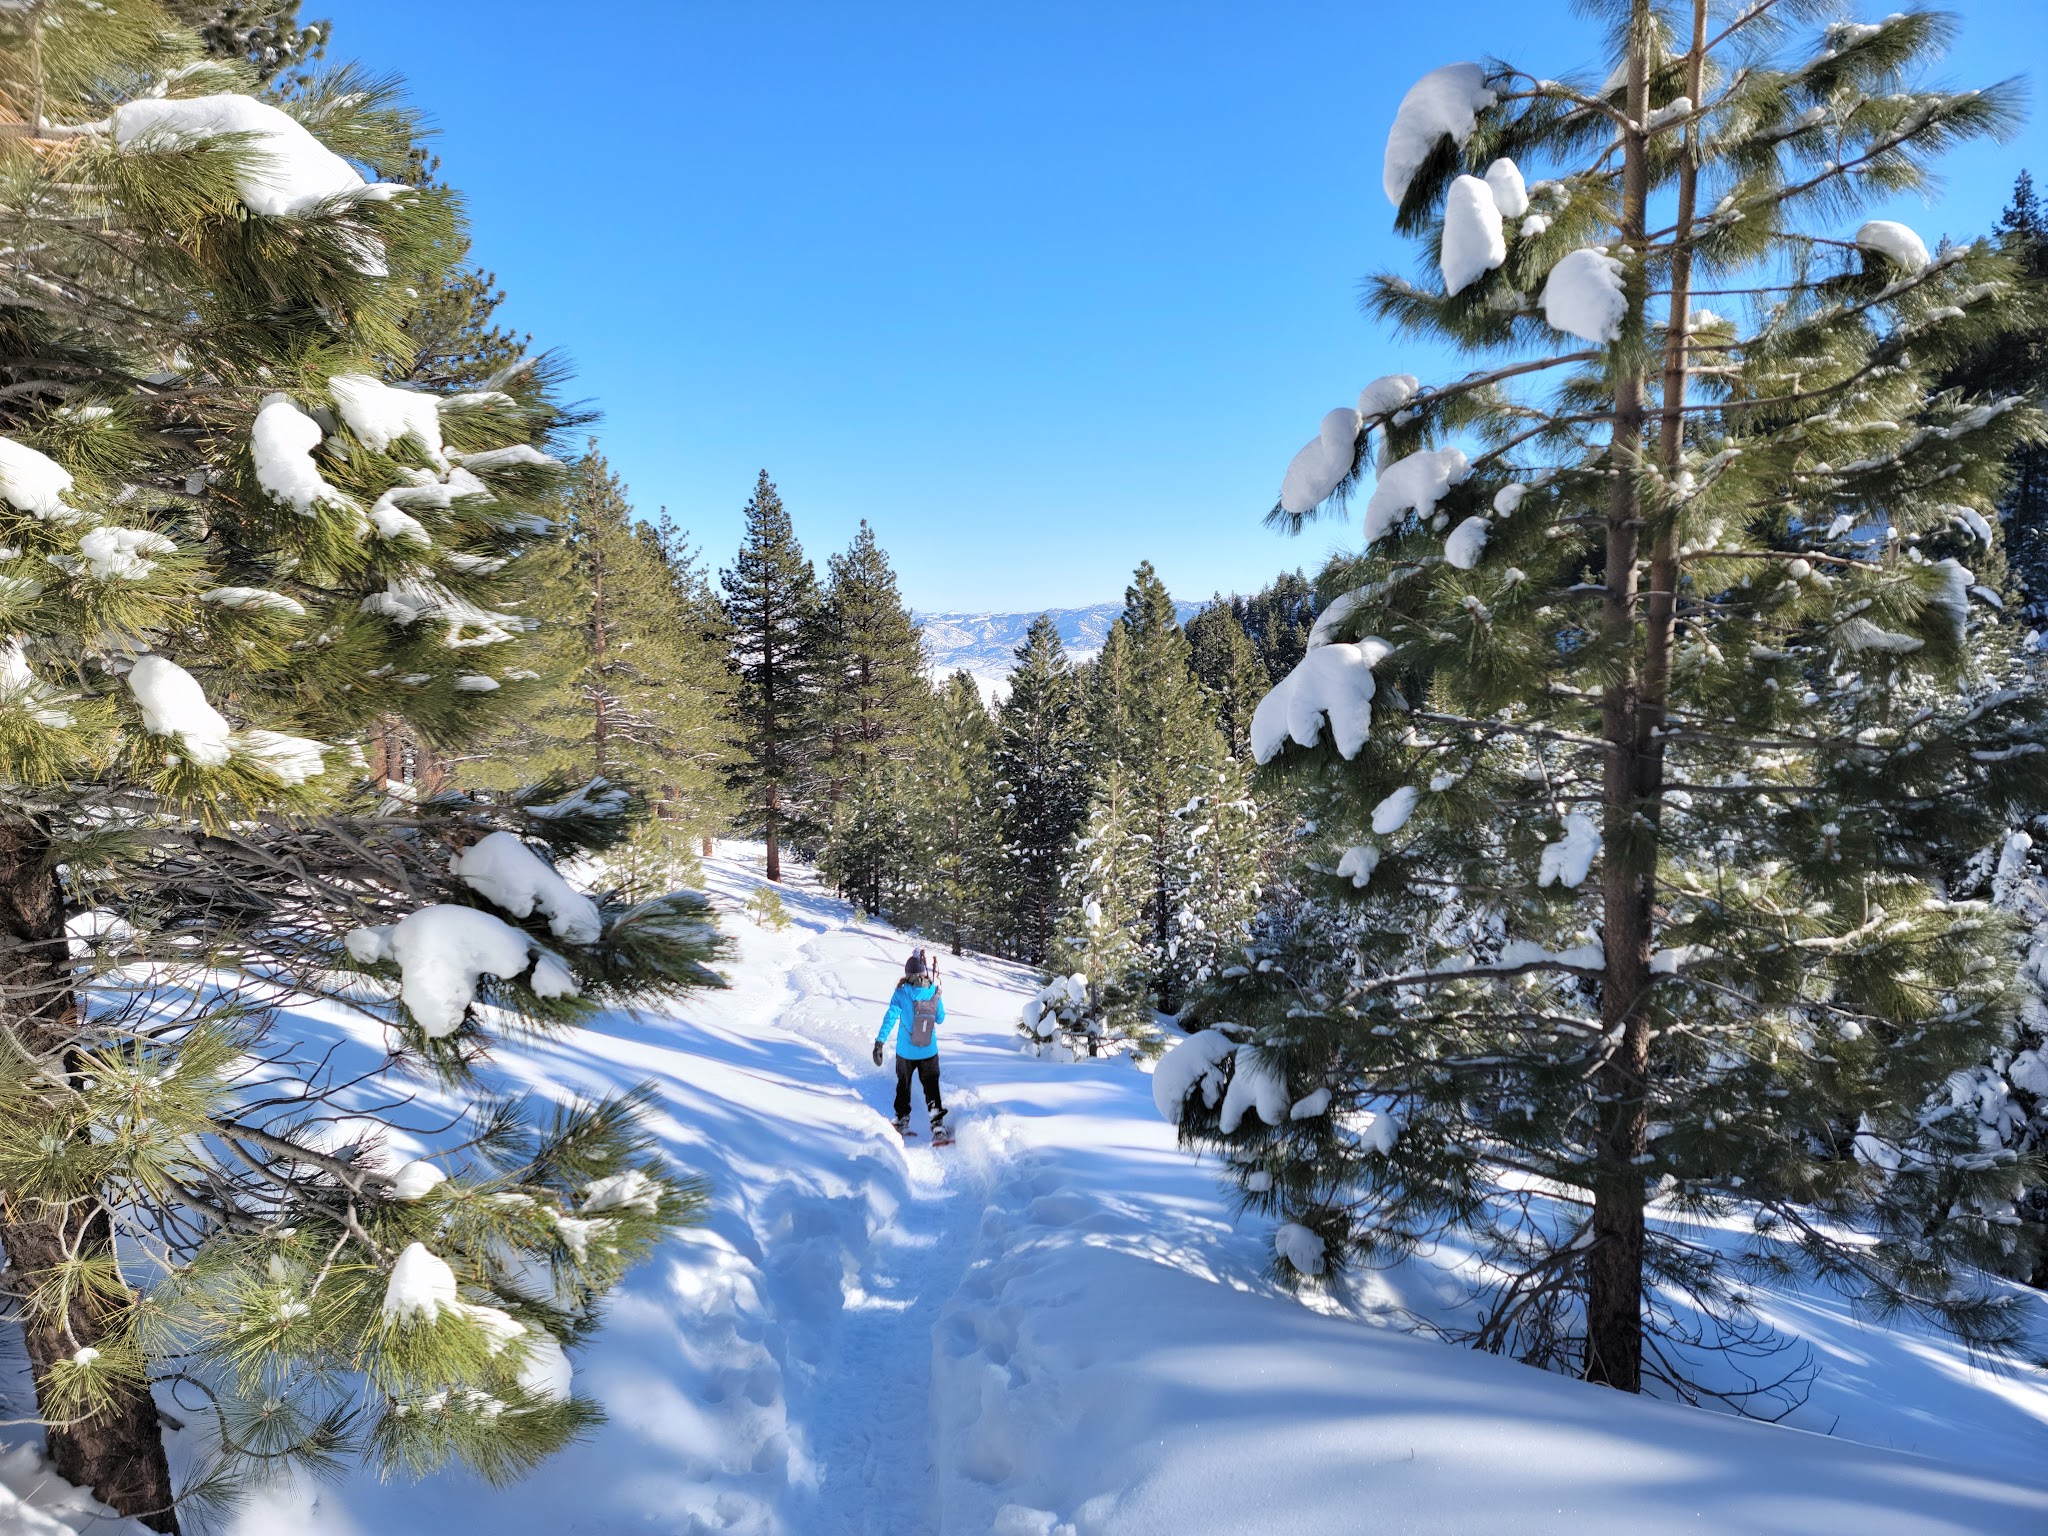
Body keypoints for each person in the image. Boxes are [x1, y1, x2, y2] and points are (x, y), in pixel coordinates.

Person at [873, 948, 946, 1136]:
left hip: (905, 1051)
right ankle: (937, 1124)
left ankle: (902, 1120)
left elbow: (890, 1018)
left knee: (903, 1085)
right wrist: (936, 996)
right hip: (929, 1050)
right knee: (931, 1086)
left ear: (907, 974)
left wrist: (880, 1042)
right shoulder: (933, 991)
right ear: (923, 973)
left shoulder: (901, 993)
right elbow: (940, 1018)